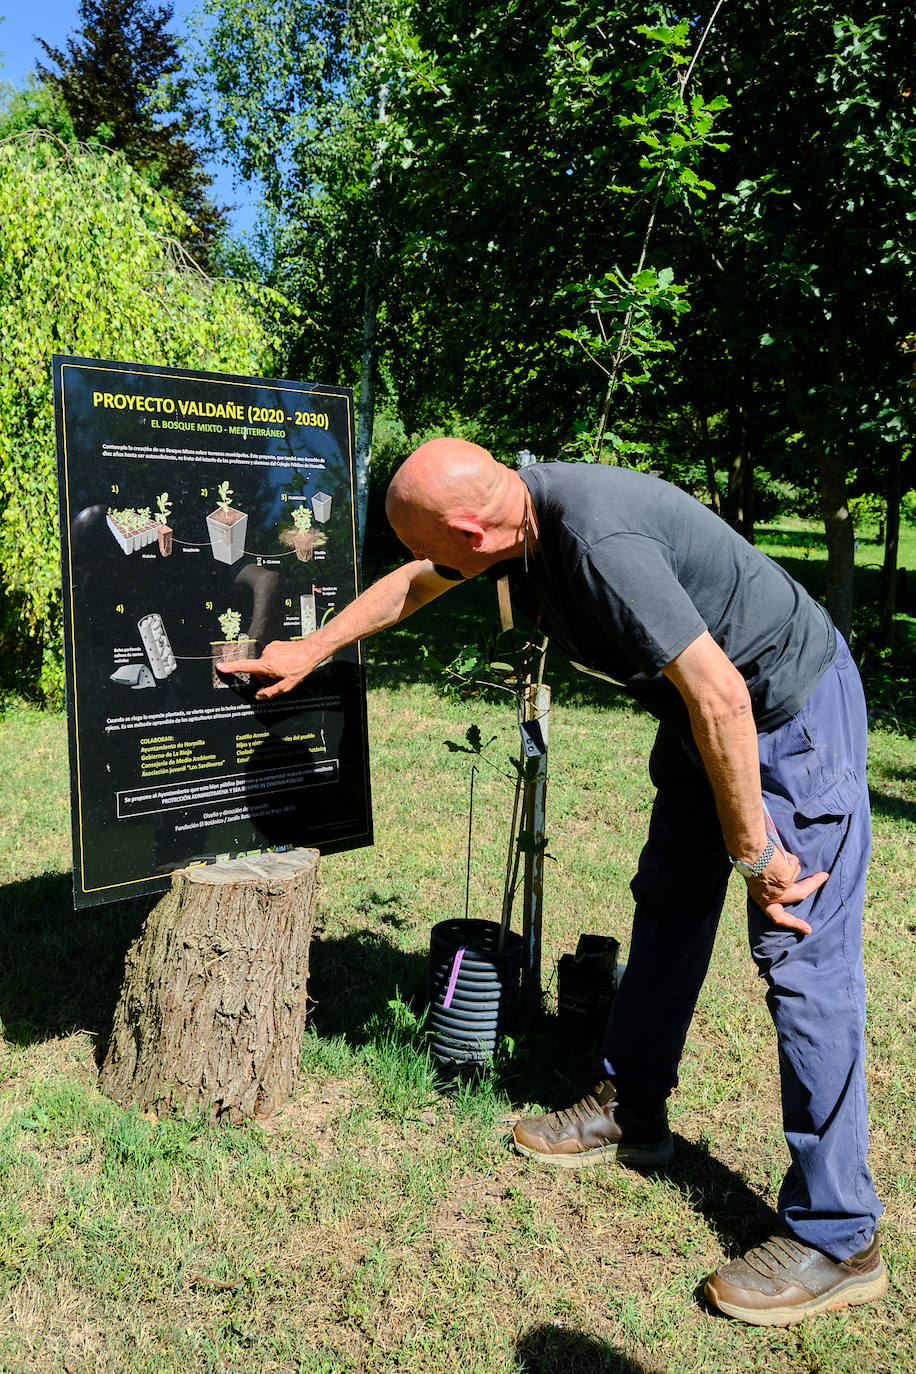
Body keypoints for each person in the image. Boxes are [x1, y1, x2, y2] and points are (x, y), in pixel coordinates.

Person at [221, 437, 886, 1328]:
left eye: (437, 543)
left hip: (784, 712)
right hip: (705, 719)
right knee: (669, 907)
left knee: (800, 953)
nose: (433, 564)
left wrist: (758, 854)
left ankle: (840, 1237)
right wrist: (311, 649)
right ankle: (631, 1107)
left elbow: (725, 694)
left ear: (470, 526)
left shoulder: (596, 541)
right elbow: (418, 582)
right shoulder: (515, 524)